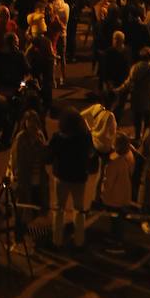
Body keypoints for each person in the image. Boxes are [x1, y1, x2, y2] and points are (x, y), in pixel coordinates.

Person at [48, 106, 94, 249]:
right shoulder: (85, 137)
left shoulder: (58, 137)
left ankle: (57, 240)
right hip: (79, 177)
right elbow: (91, 153)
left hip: (61, 176)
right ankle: (79, 241)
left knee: (59, 209)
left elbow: (50, 156)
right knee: (79, 209)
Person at [100, 132, 135, 250]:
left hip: (114, 197)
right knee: (119, 220)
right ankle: (116, 239)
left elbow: (108, 182)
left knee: (116, 221)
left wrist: (103, 194)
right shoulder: (129, 156)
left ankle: (117, 244)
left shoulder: (114, 162)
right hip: (124, 194)